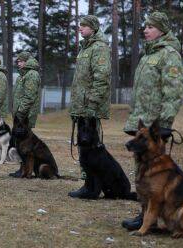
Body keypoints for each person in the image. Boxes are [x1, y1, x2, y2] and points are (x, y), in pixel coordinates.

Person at [121, 12, 183, 230]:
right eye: (145, 27)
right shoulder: (148, 55)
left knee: (154, 175)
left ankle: (152, 218)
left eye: (150, 27)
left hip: (155, 126)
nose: (146, 30)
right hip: (142, 122)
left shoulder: (169, 55)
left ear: (162, 29)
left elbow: (173, 91)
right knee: (141, 173)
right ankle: (146, 215)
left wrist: (165, 123)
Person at [67, 15, 111, 199]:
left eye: (84, 26)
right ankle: (89, 183)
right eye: (80, 25)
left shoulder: (99, 47)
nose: (80, 28)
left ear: (93, 28)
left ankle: (94, 186)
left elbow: (101, 77)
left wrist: (92, 103)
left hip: (90, 107)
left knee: (92, 147)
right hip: (81, 106)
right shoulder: (85, 47)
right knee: (84, 148)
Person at [8, 52, 41, 177]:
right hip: (20, 115)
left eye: (21, 61)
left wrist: (21, 112)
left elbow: (29, 96)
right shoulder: (22, 75)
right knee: (20, 144)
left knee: (25, 144)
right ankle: (22, 168)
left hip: (25, 115)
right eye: (17, 61)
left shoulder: (32, 74)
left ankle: (26, 170)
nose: (18, 63)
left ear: (27, 61)